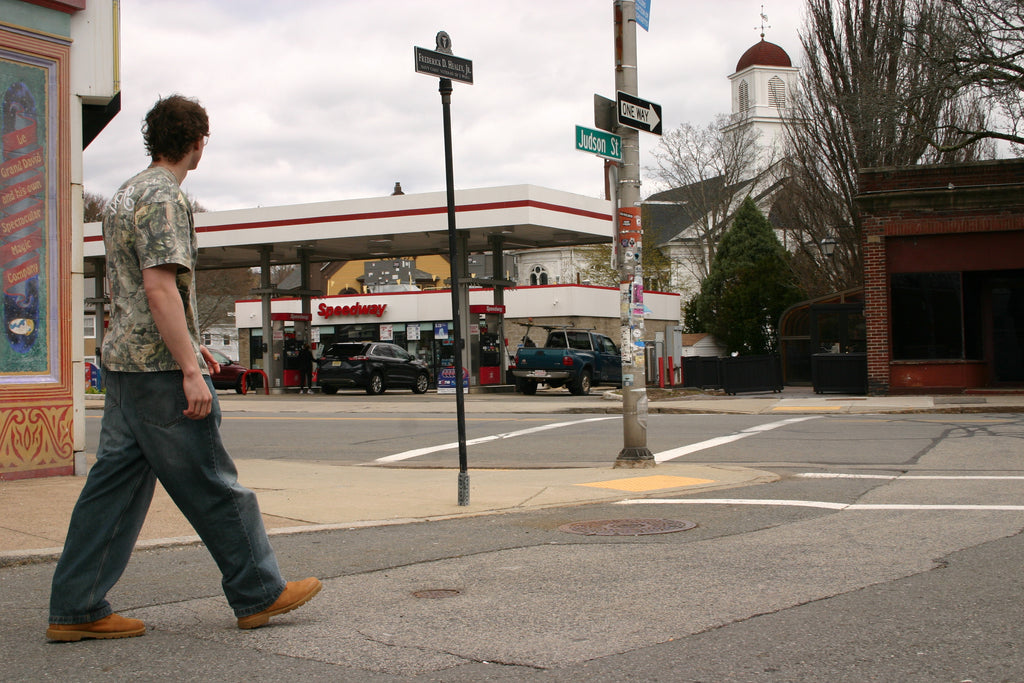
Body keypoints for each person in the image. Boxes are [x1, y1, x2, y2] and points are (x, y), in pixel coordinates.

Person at [47, 95, 321, 642]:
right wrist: (190, 369)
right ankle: (258, 591)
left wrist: (191, 348)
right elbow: (158, 286)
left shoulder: (124, 194)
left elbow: (131, 289)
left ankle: (76, 606)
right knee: (212, 481)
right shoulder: (165, 198)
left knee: (112, 489)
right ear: (198, 142)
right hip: (159, 372)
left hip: (123, 365)